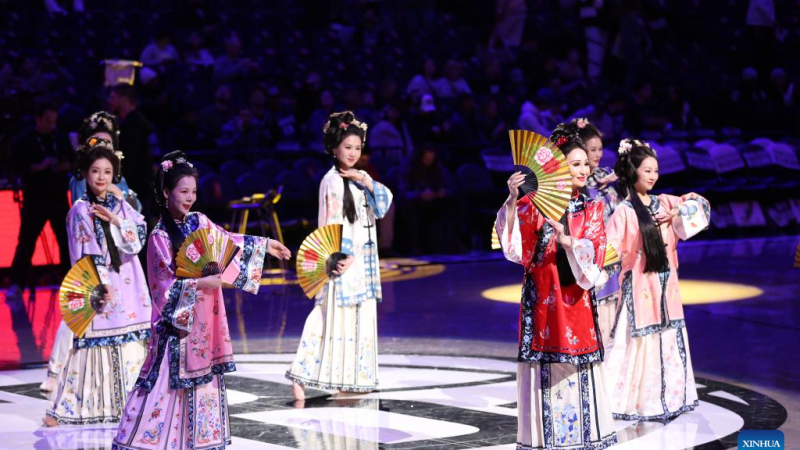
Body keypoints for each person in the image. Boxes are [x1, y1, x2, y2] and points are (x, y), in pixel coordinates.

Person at [112, 151, 290, 450]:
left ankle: (200, 442)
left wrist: (264, 244)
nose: (190, 198)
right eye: (183, 191)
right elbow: (163, 287)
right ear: (167, 193)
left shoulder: (199, 221)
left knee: (204, 380)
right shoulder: (160, 236)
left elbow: (227, 241)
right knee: (164, 388)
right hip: (178, 329)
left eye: (193, 191)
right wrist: (200, 283)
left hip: (205, 323)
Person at [496, 123, 617, 450]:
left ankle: (581, 440)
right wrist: (511, 200)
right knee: (543, 369)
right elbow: (513, 248)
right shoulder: (533, 206)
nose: (583, 169)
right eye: (574, 164)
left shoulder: (591, 209)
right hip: (542, 303)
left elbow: (595, 264)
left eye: (584, 163)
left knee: (577, 369)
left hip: (575, 302)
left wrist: (568, 242)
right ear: (560, 169)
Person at [44, 138, 152, 426]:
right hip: (100, 284)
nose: (101, 177)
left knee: (131, 347)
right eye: (95, 171)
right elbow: (84, 250)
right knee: (88, 347)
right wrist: (101, 282)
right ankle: (68, 408)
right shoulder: (79, 210)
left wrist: (115, 221)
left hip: (129, 283)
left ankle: (128, 405)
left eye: (106, 171)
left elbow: (139, 238)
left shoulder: (119, 203)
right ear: (85, 173)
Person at [287, 111, 393, 401]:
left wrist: (366, 181)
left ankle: (352, 379)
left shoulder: (361, 177)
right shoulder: (331, 181)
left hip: (363, 260)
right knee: (327, 317)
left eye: (357, 148)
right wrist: (338, 256)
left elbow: (383, 205)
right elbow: (330, 223)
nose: (353, 153)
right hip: (343, 260)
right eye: (347, 147)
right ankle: (301, 372)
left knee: (359, 319)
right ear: (334, 148)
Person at [603, 139, 709, 421]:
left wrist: (680, 212)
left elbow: (702, 207)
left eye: (656, 171)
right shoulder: (624, 212)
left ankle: (669, 399)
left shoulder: (666, 203)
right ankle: (630, 402)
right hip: (639, 289)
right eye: (647, 170)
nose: (652, 176)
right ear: (632, 171)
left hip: (667, 289)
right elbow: (608, 250)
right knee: (634, 344)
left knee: (668, 339)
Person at [8, 100, 73, 297]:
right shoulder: (24, 140)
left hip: (58, 198)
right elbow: (16, 166)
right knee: (26, 242)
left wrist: (63, 166)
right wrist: (37, 167)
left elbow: (72, 161)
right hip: (35, 199)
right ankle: (16, 283)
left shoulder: (60, 138)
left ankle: (73, 284)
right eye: (47, 121)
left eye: (54, 121)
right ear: (38, 119)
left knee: (65, 241)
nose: (51, 125)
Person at [574, 117, 621, 344]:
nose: (597, 154)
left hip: (612, 252)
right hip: (587, 255)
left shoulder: (608, 176)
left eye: (600, 149)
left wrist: (620, 178)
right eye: (592, 149)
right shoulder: (574, 182)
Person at [108, 84, 154, 216]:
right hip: (140, 187)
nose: (109, 101)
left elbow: (127, 161)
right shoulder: (138, 122)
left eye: (113, 97)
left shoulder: (132, 126)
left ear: (123, 99)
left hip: (133, 188)